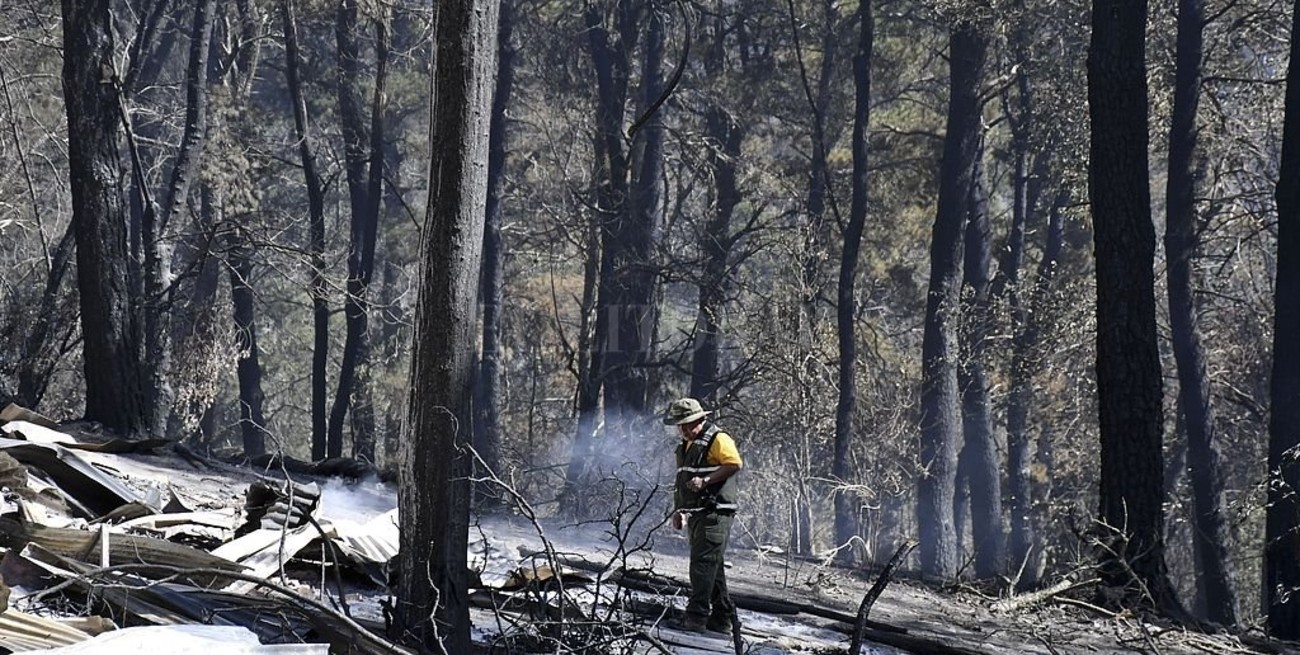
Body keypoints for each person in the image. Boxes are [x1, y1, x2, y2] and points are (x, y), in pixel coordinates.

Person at [662, 397, 743, 634]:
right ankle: (721, 618)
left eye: (689, 424)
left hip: (715, 513)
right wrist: (679, 510)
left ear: (702, 418)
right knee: (712, 565)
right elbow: (683, 482)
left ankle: (696, 617)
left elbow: (734, 463)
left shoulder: (718, 439)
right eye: (681, 425)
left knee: (702, 564)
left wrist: (707, 480)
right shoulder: (687, 445)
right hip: (697, 513)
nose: (685, 429)